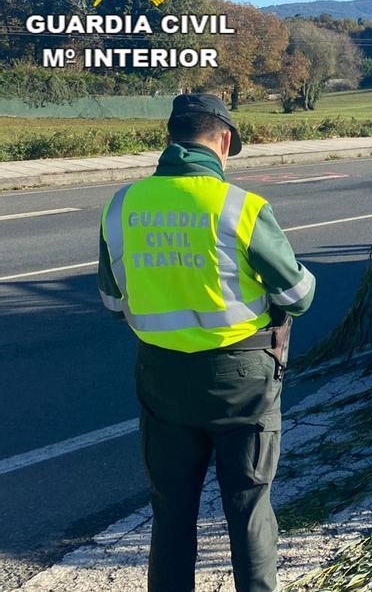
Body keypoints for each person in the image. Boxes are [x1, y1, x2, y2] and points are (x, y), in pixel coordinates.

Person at [97, 93, 316, 592]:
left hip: (162, 379)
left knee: (171, 510)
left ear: (171, 139)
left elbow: (112, 303)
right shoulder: (240, 207)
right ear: (222, 139)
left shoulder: (122, 205)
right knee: (247, 506)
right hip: (242, 381)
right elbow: (298, 295)